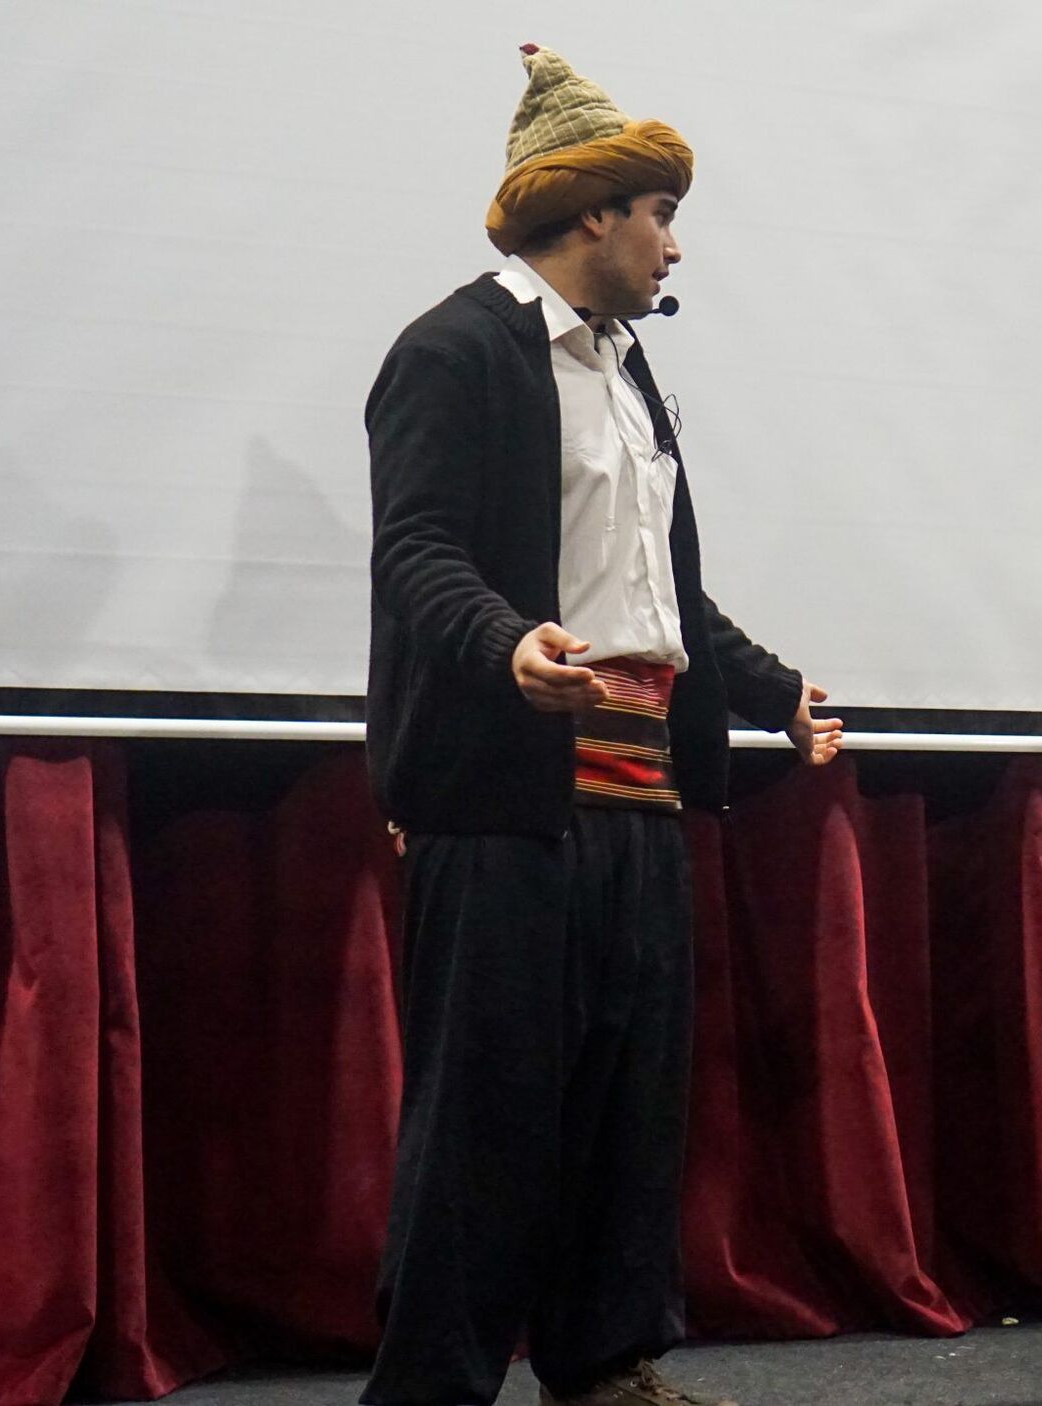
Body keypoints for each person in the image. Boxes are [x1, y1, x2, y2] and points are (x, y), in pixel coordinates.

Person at [360, 43, 841, 1406]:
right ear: (590, 216)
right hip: (506, 797)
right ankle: (430, 1388)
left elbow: (658, 590)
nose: (673, 246)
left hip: (638, 794)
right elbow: (418, 549)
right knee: (483, 1115)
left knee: (629, 1105)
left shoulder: (627, 373)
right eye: (658, 216)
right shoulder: (455, 351)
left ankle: (603, 1363)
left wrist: (769, 689)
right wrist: (505, 642)